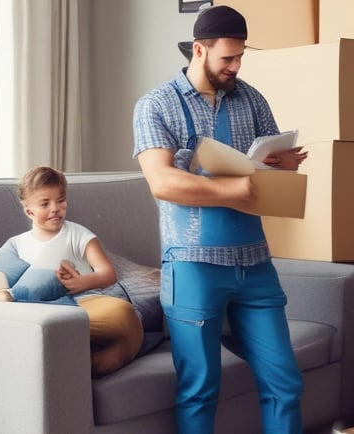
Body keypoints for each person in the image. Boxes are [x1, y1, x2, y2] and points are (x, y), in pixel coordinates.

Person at [131, 5, 307, 434]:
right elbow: (162, 181)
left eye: (241, 56)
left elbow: (267, 169)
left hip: (255, 264)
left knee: (285, 382)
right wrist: (234, 189)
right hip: (192, 266)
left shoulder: (252, 98)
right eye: (227, 57)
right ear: (198, 50)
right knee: (199, 388)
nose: (236, 66)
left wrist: (281, 168)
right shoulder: (155, 104)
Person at [0, 166, 144, 377]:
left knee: (123, 314)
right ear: (29, 210)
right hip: (36, 313)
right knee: (3, 276)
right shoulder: (15, 246)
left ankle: (65, 347)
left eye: (61, 200)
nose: (55, 208)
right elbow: (10, 286)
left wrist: (81, 282)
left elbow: (108, 274)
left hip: (82, 305)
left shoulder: (78, 235)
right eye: (45, 204)